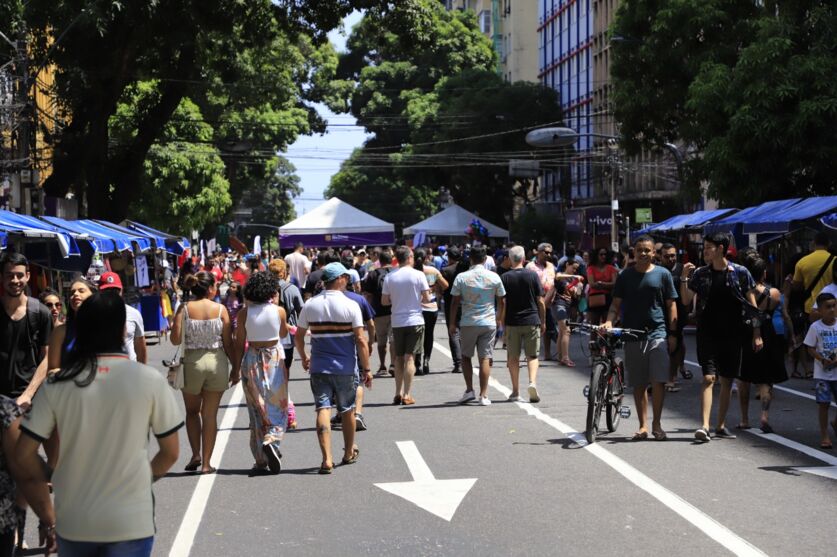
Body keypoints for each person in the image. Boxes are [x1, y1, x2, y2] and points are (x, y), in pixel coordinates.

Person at [16, 291, 182, 557]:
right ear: (122, 330)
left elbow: (23, 453)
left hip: (75, 520)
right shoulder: (149, 380)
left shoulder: (56, 385)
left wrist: (52, 476)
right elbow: (171, 452)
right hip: (130, 519)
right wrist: (143, 479)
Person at [680, 232, 763, 443]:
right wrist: (684, 277)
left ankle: (720, 425)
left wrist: (757, 333)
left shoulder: (740, 273)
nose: (705, 250)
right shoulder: (700, 274)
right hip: (707, 332)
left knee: (727, 380)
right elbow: (686, 299)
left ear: (721, 249)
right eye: (705, 247)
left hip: (733, 333)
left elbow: (752, 305)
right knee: (709, 377)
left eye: (709, 247)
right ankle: (704, 426)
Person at [295, 263, 371, 474]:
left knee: (322, 409)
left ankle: (326, 459)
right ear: (339, 279)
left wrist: (304, 357)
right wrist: (367, 369)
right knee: (347, 410)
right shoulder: (350, 305)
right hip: (345, 368)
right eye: (345, 277)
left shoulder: (310, 305)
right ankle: (347, 452)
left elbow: (299, 336)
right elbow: (360, 340)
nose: (347, 280)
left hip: (319, 366)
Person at [603, 235, 678, 441]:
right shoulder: (625, 276)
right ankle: (643, 425)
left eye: (647, 250)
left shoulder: (663, 274)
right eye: (639, 250)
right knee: (639, 383)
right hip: (633, 334)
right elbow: (615, 305)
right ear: (634, 253)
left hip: (658, 334)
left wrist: (672, 333)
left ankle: (657, 424)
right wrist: (609, 321)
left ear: (654, 253)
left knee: (658, 381)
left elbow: (671, 305)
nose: (643, 253)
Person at [170, 272, 236, 474]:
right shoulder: (220, 309)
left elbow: (174, 339)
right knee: (210, 415)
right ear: (210, 289)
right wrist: (236, 368)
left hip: (192, 363)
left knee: (191, 412)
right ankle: (207, 463)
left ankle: (195, 454)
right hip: (217, 363)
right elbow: (228, 342)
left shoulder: (184, 309)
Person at [234, 272, 289, 474]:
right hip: (273, 359)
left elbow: (239, 342)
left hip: (252, 359)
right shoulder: (279, 311)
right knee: (278, 404)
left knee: (256, 409)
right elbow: (282, 334)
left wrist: (234, 368)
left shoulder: (244, 313)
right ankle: (272, 439)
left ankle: (260, 459)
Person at [449, 245, 506, 406]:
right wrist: (499, 318)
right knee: (485, 358)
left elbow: (454, 302)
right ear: (485, 259)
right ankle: (484, 395)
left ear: (471, 258)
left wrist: (452, 323)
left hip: (468, 322)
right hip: (488, 322)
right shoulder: (494, 277)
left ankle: (469, 390)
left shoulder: (462, 277)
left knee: (466, 356)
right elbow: (502, 299)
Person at [737, 254, 788, 433]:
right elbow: (774, 309)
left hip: (747, 331)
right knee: (766, 378)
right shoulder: (774, 293)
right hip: (768, 332)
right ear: (764, 274)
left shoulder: (744, 291)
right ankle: (764, 415)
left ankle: (744, 419)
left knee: (744, 377)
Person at [381, 246, 431, 406]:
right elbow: (427, 298)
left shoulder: (390, 277)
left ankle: (397, 392)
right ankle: (407, 394)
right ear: (410, 257)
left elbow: (384, 301)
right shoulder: (418, 275)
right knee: (410, 358)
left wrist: (396, 300)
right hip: (415, 320)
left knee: (398, 358)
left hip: (397, 321)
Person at [500, 246, 545, 403]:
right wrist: (543, 321)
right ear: (524, 258)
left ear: (511, 259)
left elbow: (503, 303)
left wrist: (502, 324)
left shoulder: (504, 277)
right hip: (532, 320)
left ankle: (515, 391)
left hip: (513, 322)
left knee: (513, 358)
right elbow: (540, 301)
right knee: (532, 356)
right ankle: (532, 382)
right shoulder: (532, 275)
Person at [269, 259, 304, 429]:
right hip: (288, 338)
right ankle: (285, 407)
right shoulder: (292, 289)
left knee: (270, 376)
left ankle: (274, 410)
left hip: (268, 335)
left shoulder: (264, 288)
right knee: (284, 374)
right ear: (283, 272)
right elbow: (301, 310)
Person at [804, 292, 837, 449]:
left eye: (834, 306)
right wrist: (821, 359)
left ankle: (835, 422)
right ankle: (824, 435)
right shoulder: (815, 327)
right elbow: (810, 348)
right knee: (824, 404)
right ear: (820, 310)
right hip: (822, 374)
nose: (832, 310)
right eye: (828, 307)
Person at [658, 244, 692, 389]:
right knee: (662, 345)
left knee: (675, 344)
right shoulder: (656, 270)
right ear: (660, 256)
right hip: (660, 311)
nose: (670, 259)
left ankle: (672, 376)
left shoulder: (682, 269)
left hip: (678, 312)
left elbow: (688, 292)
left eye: (673, 255)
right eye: (666, 256)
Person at [98, 272, 147, 364]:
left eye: (116, 290)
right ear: (99, 291)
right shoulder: (92, 314)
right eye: (107, 290)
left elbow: (140, 347)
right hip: (104, 371)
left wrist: (142, 373)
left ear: (121, 290)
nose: (112, 294)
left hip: (129, 370)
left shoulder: (134, 314)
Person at [413, 248, 448, 376]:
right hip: (431, 307)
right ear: (426, 258)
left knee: (417, 336)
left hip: (416, 308)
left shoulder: (411, 272)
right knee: (429, 335)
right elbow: (445, 285)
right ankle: (426, 360)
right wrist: (435, 287)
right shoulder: (433, 271)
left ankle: (417, 362)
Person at [362, 248, 395, 376]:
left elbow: (368, 295)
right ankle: (393, 363)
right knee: (393, 339)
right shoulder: (396, 272)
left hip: (378, 311)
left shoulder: (372, 274)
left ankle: (382, 366)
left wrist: (369, 312)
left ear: (379, 261)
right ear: (391, 260)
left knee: (381, 341)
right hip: (394, 310)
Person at [549, 261, 585, 367]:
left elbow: (576, 296)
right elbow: (558, 276)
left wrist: (579, 287)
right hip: (558, 305)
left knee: (561, 331)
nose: (574, 271)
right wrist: (574, 276)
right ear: (567, 265)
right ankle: (565, 357)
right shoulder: (561, 275)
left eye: (576, 270)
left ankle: (561, 357)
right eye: (573, 268)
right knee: (566, 330)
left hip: (567, 306)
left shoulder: (574, 281)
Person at [792, 232, 835, 319]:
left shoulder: (802, 262)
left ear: (814, 243)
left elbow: (796, 287)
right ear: (829, 244)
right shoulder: (835, 261)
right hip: (833, 307)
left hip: (811, 308)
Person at [527, 243, 557, 360]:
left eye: (550, 253)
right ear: (538, 252)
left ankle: (547, 354)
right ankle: (532, 352)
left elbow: (555, 281)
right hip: (534, 300)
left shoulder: (552, 266)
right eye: (545, 252)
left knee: (548, 329)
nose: (548, 255)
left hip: (548, 301)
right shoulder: (530, 266)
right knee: (533, 328)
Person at [441, 247, 467, 374]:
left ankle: (458, 363)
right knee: (463, 332)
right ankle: (465, 360)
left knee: (453, 331)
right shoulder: (465, 269)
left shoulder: (445, 270)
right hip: (465, 303)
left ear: (449, 257)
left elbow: (441, 289)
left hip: (450, 304)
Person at [586, 248, 618, 326]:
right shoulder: (591, 268)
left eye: (605, 254)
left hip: (608, 298)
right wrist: (607, 285)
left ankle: (604, 338)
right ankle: (593, 339)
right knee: (594, 326)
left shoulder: (611, 268)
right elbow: (592, 284)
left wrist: (601, 283)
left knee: (607, 325)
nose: (603, 256)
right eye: (601, 254)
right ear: (596, 256)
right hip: (594, 298)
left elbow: (614, 283)